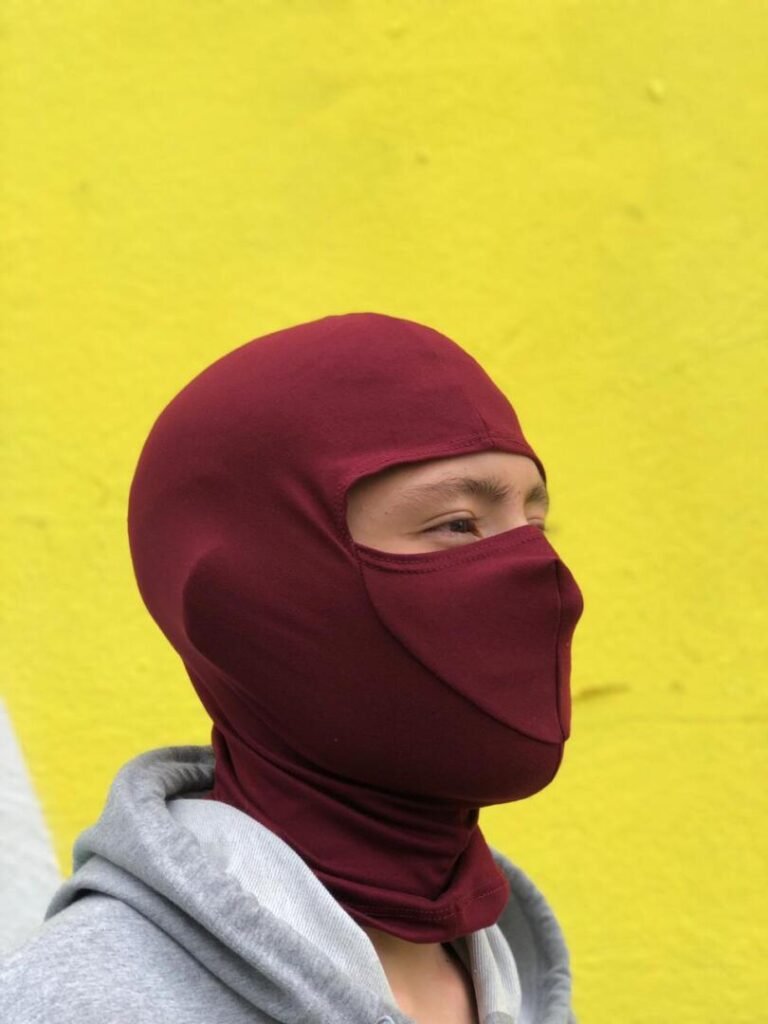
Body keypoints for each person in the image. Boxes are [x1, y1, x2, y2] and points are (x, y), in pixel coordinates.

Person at [0, 312, 585, 1024]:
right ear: (248, 598)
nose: (549, 582)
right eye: (458, 524)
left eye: (534, 524)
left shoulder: (513, 980)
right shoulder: (80, 1003)